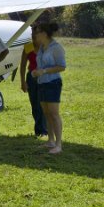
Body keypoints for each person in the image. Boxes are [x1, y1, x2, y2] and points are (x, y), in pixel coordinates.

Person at [32, 22, 66, 154]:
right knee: (46, 113)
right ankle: (50, 140)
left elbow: (62, 66)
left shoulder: (56, 47)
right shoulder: (41, 48)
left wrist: (44, 71)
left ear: (44, 34)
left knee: (54, 114)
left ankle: (58, 144)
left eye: (38, 32)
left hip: (53, 83)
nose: (35, 34)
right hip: (42, 83)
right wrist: (36, 72)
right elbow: (40, 64)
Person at [19, 30, 48, 138]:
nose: (33, 38)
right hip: (32, 78)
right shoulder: (28, 47)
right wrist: (23, 82)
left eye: (35, 36)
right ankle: (38, 130)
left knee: (44, 104)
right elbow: (22, 66)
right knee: (35, 105)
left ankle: (45, 130)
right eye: (32, 35)